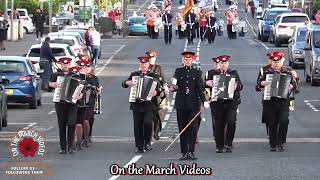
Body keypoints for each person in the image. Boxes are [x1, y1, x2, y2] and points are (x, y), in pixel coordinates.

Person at [256, 52, 297, 152]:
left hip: (283, 101)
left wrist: (292, 87)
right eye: (274, 62)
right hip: (270, 101)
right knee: (272, 123)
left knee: (284, 121)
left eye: (278, 62)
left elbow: (295, 86)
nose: (276, 64)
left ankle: (281, 142)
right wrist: (262, 83)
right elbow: (257, 86)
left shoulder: (287, 72)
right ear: (271, 62)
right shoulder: (266, 73)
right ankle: (273, 144)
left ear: (281, 62)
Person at [169, 51, 206, 160]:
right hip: (181, 104)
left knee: (193, 128)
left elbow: (200, 89)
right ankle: (184, 152)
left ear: (192, 60)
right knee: (182, 128)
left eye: (189, 60)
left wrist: (204, 102)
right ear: (183, 60)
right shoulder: (178, 71)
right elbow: (175, 84)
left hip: (194, 104)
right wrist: (173, 84)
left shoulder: (197, 73)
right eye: (186, 60)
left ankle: (191, 151)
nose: (187, 61)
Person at [122, 56, 162, 153]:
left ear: (149, 65)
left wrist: (156, 93)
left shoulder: (154, 75)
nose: (143, 66)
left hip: (149, 104)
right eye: (142, 64)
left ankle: (147, 142)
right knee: (138, 125)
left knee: (148, 123)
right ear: (140, 65)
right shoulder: (134, 74)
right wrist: (127, 82)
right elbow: (124, 84)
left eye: (145, 64)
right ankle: (139, 146)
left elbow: (159, 89)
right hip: (137, 104)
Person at [207, 55, 243, 153]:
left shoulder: (233, 73)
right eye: (221, 63)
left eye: (225, 63)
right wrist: (208, 83)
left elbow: (240, 86)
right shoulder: (212, 73)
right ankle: (219, 145)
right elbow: (203, 84)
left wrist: (236, 85)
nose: (223, 65)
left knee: (231, 122)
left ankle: (228, 143)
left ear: (228, 64)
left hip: (231, 102)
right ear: (219, 64)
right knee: (219, 124)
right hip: (217, 103)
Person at [48, 57, 80, 154]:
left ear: (70, 65)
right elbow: (46, 87)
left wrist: (80, 95)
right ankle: (63, 148)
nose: (65, 66)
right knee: (62, 126)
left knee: (71, 123)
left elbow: (81, 88)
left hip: (72, 105)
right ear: (60, 65)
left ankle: (70, 146)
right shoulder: (55, 75)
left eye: (67, 64)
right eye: (63, 64)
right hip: (60, 104)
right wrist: (51, 84)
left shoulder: (75, 76)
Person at [146, 51, 166, 141]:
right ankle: (149, 133)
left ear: (155, 58)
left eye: (152, 58)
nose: (151, 59)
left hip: (156, 95)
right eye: (149, 58)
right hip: (146, 94)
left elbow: (163, 81)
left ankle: (156, 131)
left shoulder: (158, 68)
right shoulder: (144, 67)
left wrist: (164, 89)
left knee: (156, 114)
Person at [204, 57, 221, 138]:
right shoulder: (209, 73)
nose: (217, 65)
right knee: (215, 118)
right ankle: (216, 134)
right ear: (213, 64)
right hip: (213, 99)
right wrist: (207, 83)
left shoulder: (225, 72)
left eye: (218, 63)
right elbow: (204, 86)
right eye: (215, 63)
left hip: (225, 99)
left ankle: (223, 136)